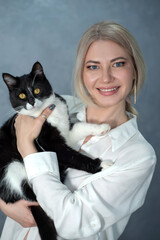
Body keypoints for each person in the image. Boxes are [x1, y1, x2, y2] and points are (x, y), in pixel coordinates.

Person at [0, 21, 156, 240]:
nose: (106, 77)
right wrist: (3, 202)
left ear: (135, 71)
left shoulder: (138, 156)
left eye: (118, 64)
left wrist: (26, 147)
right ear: (82, 72)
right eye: (93, 66)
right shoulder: (60, 107)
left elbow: (74, 224)